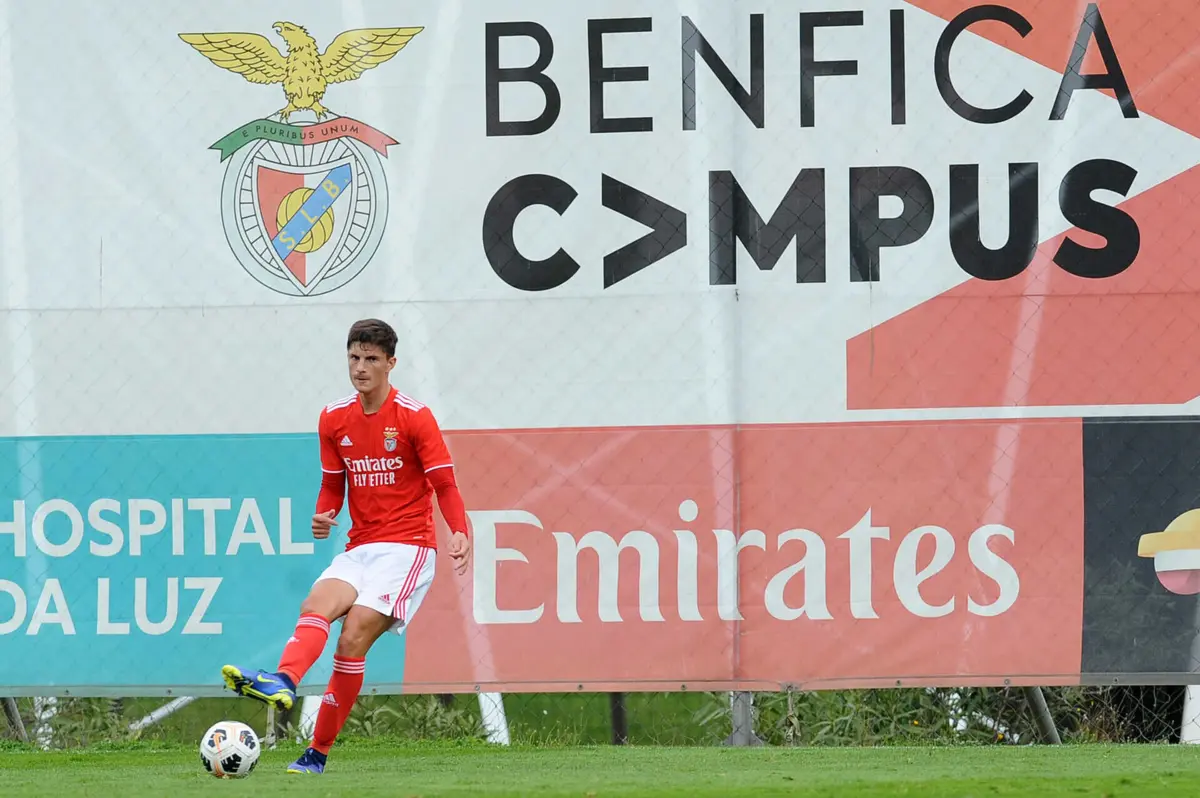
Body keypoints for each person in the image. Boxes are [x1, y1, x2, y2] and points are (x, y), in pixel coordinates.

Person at [220, 318, 472, 775]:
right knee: (316, 603)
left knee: (352, 637)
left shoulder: (415, 416)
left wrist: (459, 530)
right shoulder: (334, 417)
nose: (360, 367)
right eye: (354, 357)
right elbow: (332, 486)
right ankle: (284, 679)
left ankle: (316, 752)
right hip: (361, 546)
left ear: (391, 363)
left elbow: (445, 485)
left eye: (371, 359)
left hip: (409, 549)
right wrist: (324, 515)